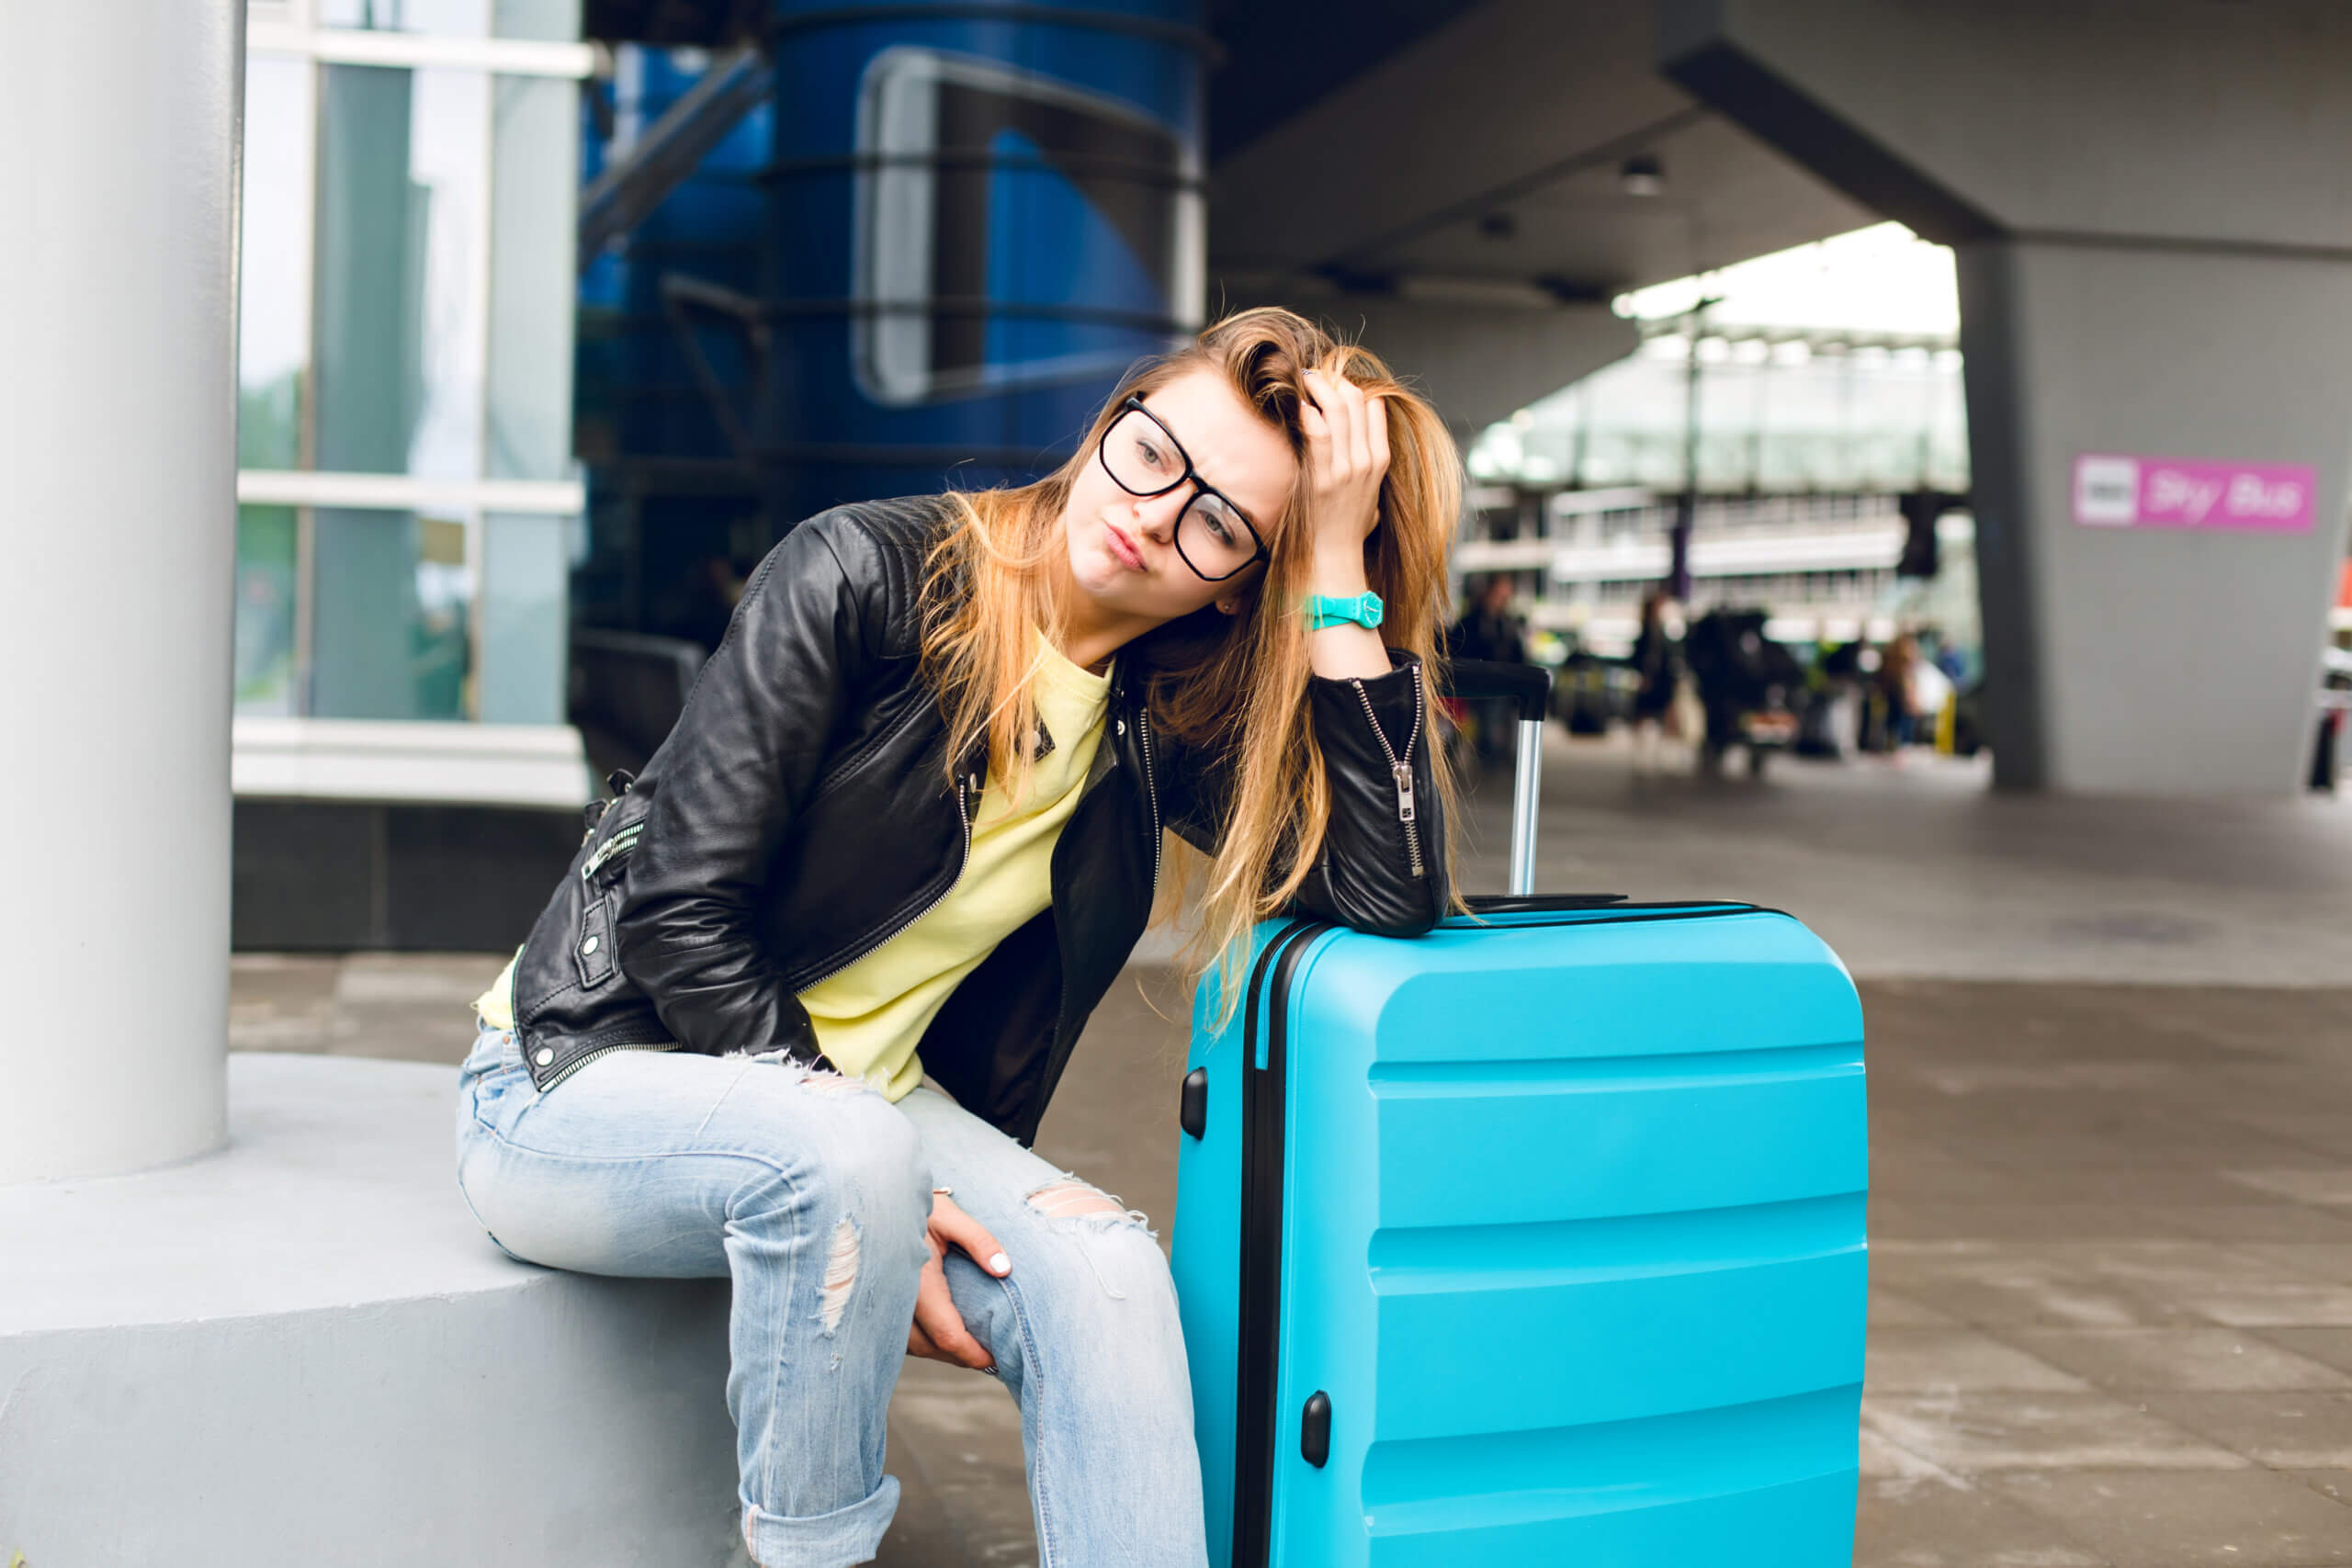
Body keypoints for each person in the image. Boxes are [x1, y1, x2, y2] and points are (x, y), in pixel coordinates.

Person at [451, 308, 1464, 1568]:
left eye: (1219, 522)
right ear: (1112, 420)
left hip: (859, 1112)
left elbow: (1386, 884)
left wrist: (1334, 573)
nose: (1156, 513)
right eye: (1153, 453)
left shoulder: (1151, 712)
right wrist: (878, 1181)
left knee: (1104, 1271)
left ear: (1237, 582)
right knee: (846, 1153)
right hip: (580, 1077)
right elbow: (677, 908)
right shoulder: (864, 574)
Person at [1446, 572, 1529, 763]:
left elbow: (1517, 654)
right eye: (1500, 593)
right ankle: (1481, 757)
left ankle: (1492, 759)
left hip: (1501, 684)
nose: (1503, 599)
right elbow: (1458, 647)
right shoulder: (1472, 621)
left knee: (1496, 725)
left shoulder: (1507, 623)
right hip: (1473, 682)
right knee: (1467, 725)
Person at [1627, 588, 1680, 773]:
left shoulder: (1662, 631)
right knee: (1643, 717)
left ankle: (1657, 754)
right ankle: (1641, 755)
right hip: (1650, 682)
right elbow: (1638, 658)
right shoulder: (1646, 633)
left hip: (1662, 683)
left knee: (1661, 718)